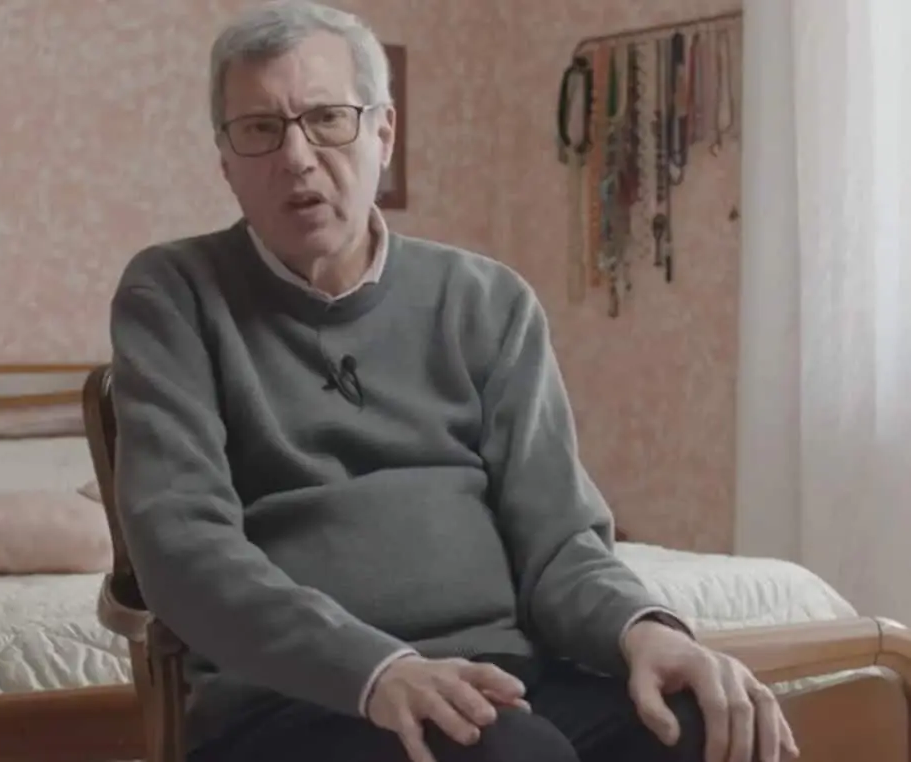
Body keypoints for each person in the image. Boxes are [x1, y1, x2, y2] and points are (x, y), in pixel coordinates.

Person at [109, 2, 799, 761]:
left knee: (704, 727)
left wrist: (646, 629)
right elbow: (183, 548)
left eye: (327, 119)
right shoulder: (173, 293)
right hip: (298, 695)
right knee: (506, 750)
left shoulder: (487, 301)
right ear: (226, 161)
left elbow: (559, 541)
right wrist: (378, 670)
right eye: (260, 129)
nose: (297, 156)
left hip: (507, 677)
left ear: (384, 134)